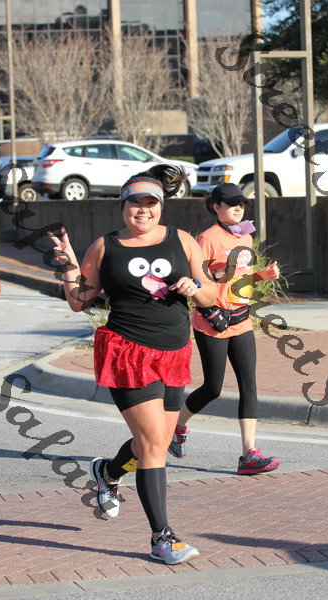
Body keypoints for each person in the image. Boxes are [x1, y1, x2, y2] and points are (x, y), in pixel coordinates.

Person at [48, 164, 216, 565]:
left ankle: (108, 472)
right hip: (128, 352)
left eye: (150, 203)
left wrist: (196, 287)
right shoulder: (105, 247)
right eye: (135, 203)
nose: (143, 210)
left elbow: (211, 295)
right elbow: (80, 301)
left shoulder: (182, 240)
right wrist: (69, 266)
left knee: (153, 440)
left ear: (161, 206)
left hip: (174, 352)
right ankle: (162, 538)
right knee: (155, 443)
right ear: (123, 207)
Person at [169, 182, 280, 475]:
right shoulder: (207, 239)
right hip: (212, 322)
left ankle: (249, 454)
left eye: (241, 203)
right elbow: (196, 282)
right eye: (231, 204)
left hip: (241, 320)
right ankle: (177, 425)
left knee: (249, 386)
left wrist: (261, 275)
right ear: (216, 207)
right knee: (213, 388)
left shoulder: (245, 236)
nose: (238, 208)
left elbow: (240, 280)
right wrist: (210, 305)